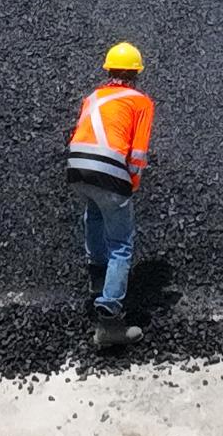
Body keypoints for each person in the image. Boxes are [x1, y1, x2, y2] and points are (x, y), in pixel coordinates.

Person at [64, 42, 156, 354]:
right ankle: (110, 321)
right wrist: (131, 184)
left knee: (94, 214)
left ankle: (96, 279)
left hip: (76, 167)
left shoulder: (93, 97)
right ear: (136, 74)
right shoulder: (141, 102)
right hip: (108, 172)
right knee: (121, 244)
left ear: (109, 71)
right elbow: (138, 153)